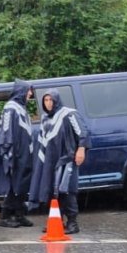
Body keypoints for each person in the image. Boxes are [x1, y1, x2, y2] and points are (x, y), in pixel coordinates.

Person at [29, 92, 88, 234]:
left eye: (51, 100)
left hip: (67, 158)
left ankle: (73, 223)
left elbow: (82, 132)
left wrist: (81, 150)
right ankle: (57, 221)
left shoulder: (69, 114)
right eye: (46, 100)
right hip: (50, 161)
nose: (48, 103)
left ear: (57, 100)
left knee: (67, 190)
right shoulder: (45, 118)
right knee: (53, 191)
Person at [0, 81, 35, 228]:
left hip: (24, 154)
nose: (31, 93)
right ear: (22, 91)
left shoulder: (21, 108)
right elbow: (6, 132)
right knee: (13, 185)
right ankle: (5, 217)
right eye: (29, 90)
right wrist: (8, 154)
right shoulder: (11, 108)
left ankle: (19, 215)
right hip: (14, 154)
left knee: (22, 185)